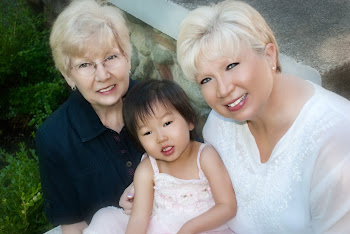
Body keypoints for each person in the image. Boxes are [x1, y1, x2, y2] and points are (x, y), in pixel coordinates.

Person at [176, 0, 350, 233]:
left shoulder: (337, 140)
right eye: (206, 79)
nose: (223, 90)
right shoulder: (218, 126)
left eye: (231, 65)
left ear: (269, 55)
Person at [35, 0, 143, 233]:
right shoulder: (54, 138)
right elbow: (73, 224)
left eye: (111, 57)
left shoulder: (159, 103)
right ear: (69, 76)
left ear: (128, 57)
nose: (103, 75)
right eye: (85, 64)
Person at [83, 79, 237, 234]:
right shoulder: (147, 169)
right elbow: (139, 218)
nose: (160, 138)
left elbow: (227, 206)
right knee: (105, 219)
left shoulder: (205, 157)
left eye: (167, 123)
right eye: (147, 133)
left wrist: (189, 228)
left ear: (189, 121)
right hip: (162, 228)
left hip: (206, 228)